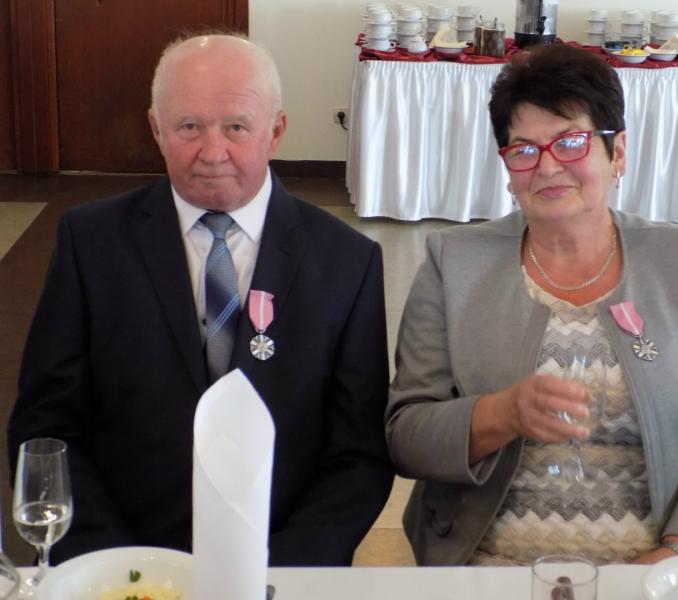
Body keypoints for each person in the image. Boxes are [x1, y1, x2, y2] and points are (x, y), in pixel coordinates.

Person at [8, 33, 393, 565]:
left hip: (281, 569)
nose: (213, 153)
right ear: (156, 129)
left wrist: (274, 576)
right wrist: (118, 569)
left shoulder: (348, 261)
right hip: (117, 565)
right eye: (189, 126)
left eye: (237, 127)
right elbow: (46, 429)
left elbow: (359, 455)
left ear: (276, 131)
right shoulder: (90, 242)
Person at [385, 44, 678, 566]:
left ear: (618, 153)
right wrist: (502, 413)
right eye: (524, 150)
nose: (547, 167)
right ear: (507, 167)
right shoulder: (453, 263)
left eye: (570, 142)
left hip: (655, 571)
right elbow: (406, 436)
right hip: (488, 565)